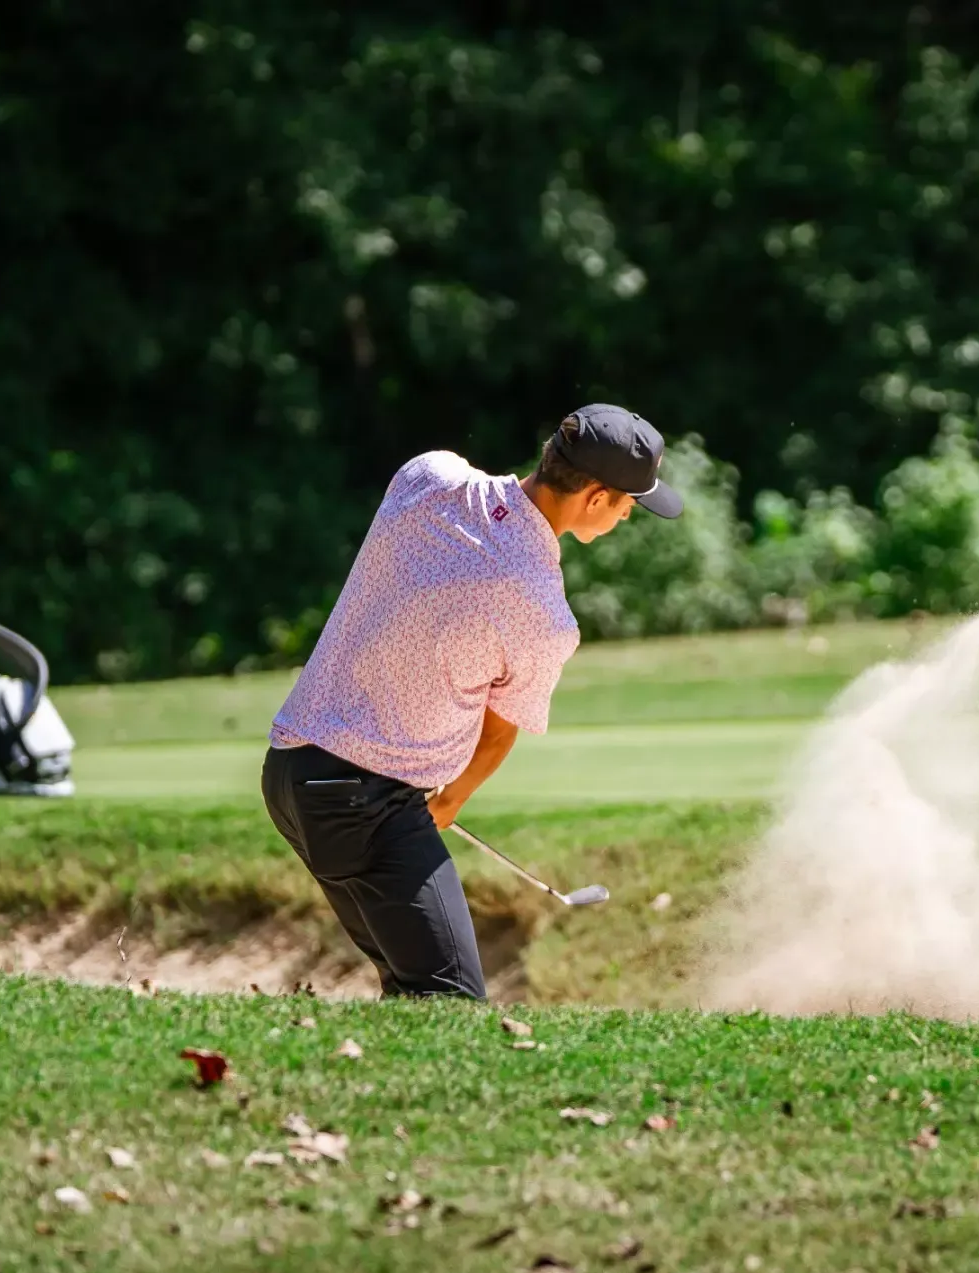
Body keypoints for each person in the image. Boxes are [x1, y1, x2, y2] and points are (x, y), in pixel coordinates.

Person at [262, 404, 682, 998]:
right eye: (628, 504)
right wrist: (449, 800)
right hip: (363, 802)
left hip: (289, 773)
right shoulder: (542, 611)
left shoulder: (427, 474)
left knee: (410, 985)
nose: (627, 516)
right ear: (594, 497)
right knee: (448, 999)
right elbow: (496, 734)